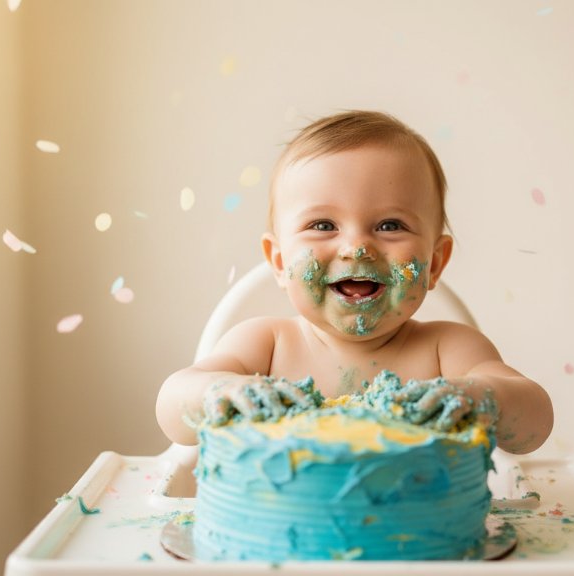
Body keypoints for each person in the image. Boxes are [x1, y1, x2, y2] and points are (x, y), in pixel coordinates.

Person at [156, 110, 553, 453]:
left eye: (389, 225)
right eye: (323, 225)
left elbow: (535, 422)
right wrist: (220, 393)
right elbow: (173, 406)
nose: (357, 247)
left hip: (418, 534)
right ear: (279, 261)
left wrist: (483, 397)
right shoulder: (265, 346)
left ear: (434, 262)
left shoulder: (447, 350)